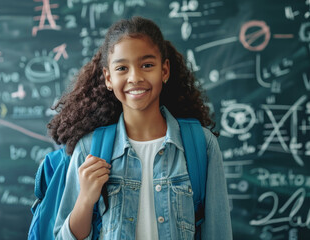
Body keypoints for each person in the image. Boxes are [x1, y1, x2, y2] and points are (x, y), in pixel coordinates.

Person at [48, 16, 232, 240]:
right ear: (108, 77)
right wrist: (86, 199)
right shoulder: (90, 150)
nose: (135, 77)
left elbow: (218, 233)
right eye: (122, 68)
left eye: (147, 65)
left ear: (164, 71)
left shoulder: (201, 145)